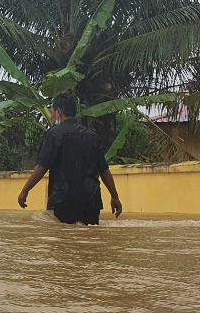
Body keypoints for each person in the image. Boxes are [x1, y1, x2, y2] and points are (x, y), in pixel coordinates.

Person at [18, 94, 123, 225]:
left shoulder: (54, 134)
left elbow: (42, 167)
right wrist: (115, 197)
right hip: (91, 201)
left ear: (59, 112)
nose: (51, 116)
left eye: (52, 112)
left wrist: (25, 190)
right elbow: (104, 170)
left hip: (63, 200)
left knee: (63, 242)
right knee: (90, 241)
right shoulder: (92, 136)